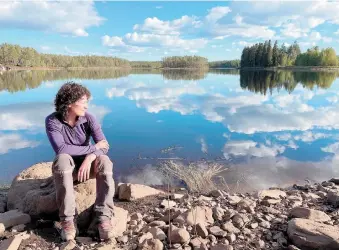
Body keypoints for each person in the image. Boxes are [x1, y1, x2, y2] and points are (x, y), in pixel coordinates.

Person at [45, 82, 115, 241]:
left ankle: (103, 217)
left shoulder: (89, 119)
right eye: (83, 102)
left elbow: (104, 146)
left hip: (87, 168)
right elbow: (61, 149)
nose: (87, 106)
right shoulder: (52, 121)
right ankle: (68, 220)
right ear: (69, 103)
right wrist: (92, 148)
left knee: (104, 160)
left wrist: (90, 157)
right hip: (67, 169)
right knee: (62, 159)